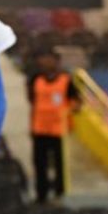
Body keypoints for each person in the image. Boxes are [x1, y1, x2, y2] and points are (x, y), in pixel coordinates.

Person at [28, 49, 78, 204]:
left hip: (59, 130)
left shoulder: (66, 80)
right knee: (40, 163)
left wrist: (73, 109)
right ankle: (41, 194)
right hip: (40, 128)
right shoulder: (35, 79)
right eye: (43, 59)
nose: (45, 62)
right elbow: (32, 100)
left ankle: (59, 193)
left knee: (59, 163)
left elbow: (75, 100)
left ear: (57, 61)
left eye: (49, 59)